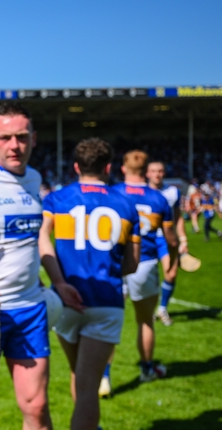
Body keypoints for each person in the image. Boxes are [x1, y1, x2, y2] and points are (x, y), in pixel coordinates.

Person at [39, 138, 140, 430]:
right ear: (108, 167)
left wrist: (58, 279)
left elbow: (42, 238)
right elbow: (132, 264)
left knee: (79, 376)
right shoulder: (126, 204)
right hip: (106, 301)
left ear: (75, 167)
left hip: (65, 299)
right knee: (88, 388)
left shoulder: (57, 199)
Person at [0, 103, 52, 430]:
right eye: (6, 137)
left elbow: (38, 239)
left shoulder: (34, 178)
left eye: (21, 137)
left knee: (37, 407)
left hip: (31, 307)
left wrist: (57, 281)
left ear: (34, 138)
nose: (14, 145)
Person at [108, 151, 177, 389]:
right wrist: (174, 257)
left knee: (109, 322)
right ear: (147, 170)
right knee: (145, 321)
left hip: (114, 261)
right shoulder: (158, 199)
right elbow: (171, 240)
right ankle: (147, 369)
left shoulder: (112, 193)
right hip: (144, 262)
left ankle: (104, 376)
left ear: (123, 168)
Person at [146, 161, 188, 326]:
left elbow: (178, 218)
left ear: (164, 173)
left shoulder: (173, 192)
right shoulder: (141, 192)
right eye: (153, 171)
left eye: (160, 171)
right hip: (146, 239)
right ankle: (147, 310)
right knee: (145, 277)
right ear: (147, 173)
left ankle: (162, 308)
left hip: (166, 238)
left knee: (171, 273)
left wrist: (183, 239)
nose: (157, 174)